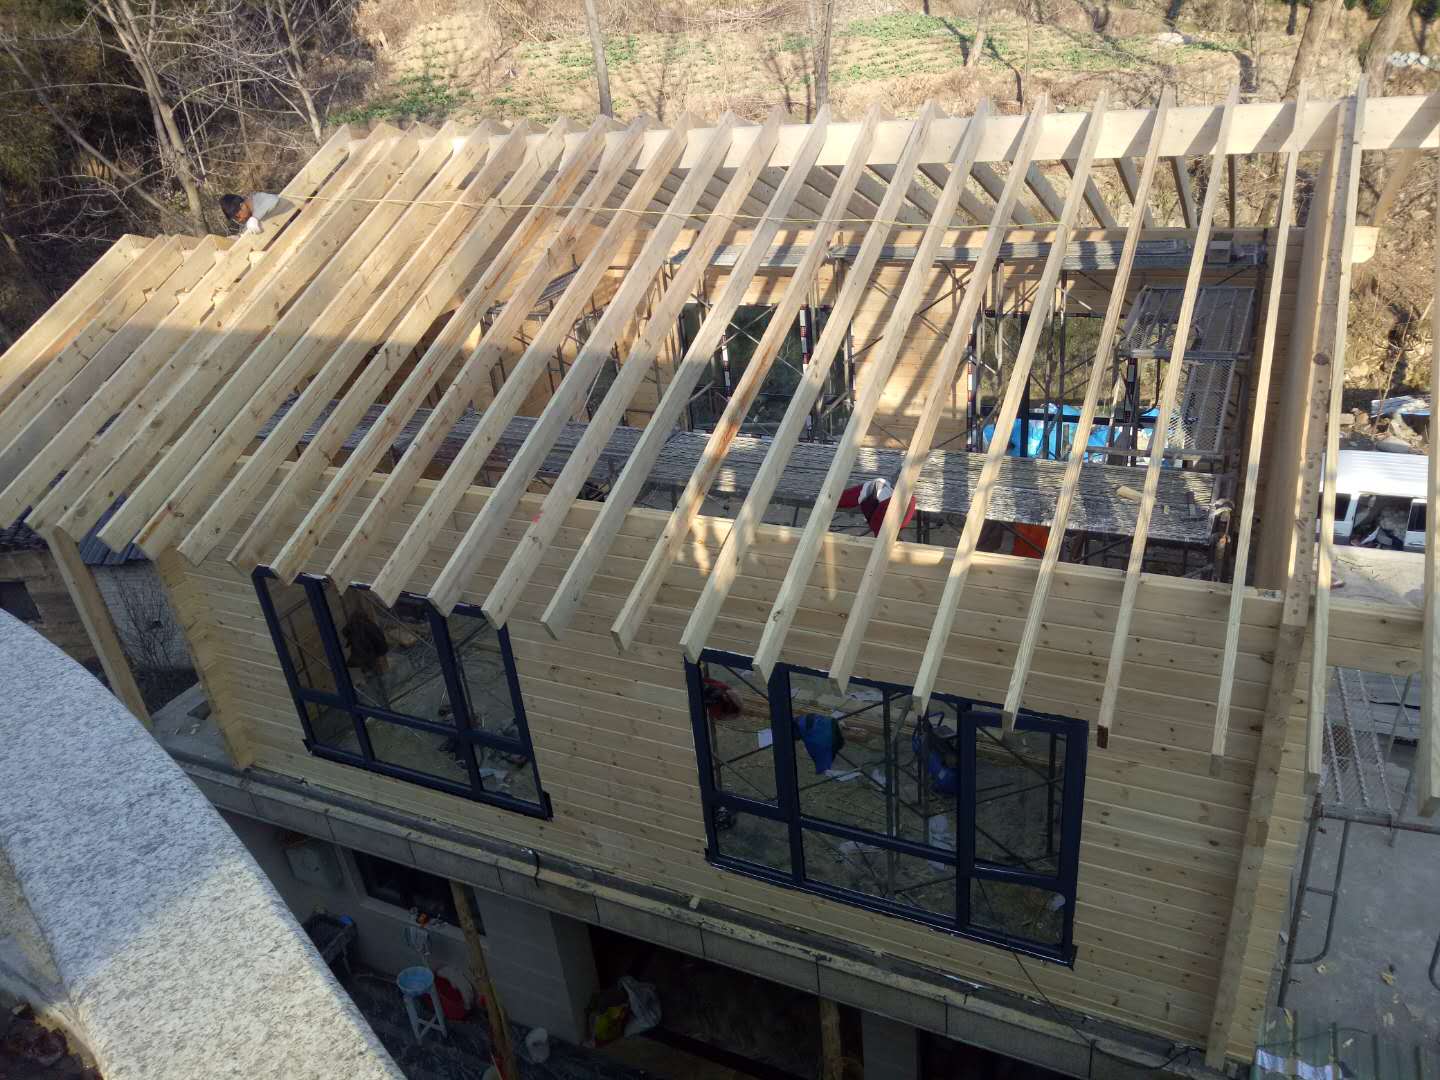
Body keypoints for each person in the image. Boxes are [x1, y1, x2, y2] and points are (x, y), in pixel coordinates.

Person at [838, 476, 917, 537]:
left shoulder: (886, 522)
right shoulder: (884, 523)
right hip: (875, 492)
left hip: (879, 492)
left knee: (839, 498)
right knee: (838, 499)